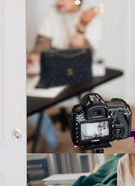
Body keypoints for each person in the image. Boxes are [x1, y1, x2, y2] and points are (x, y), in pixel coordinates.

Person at [27, 0, 101, 152]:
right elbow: (42, 43)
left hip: (76, 73)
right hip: (51, 68)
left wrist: (82, 25)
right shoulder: (53, 11)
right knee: (22, 99)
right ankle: (52, 139)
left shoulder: (94, 20)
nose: (58, 1)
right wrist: (35, 57)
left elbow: (77, 59)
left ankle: (86, 137)